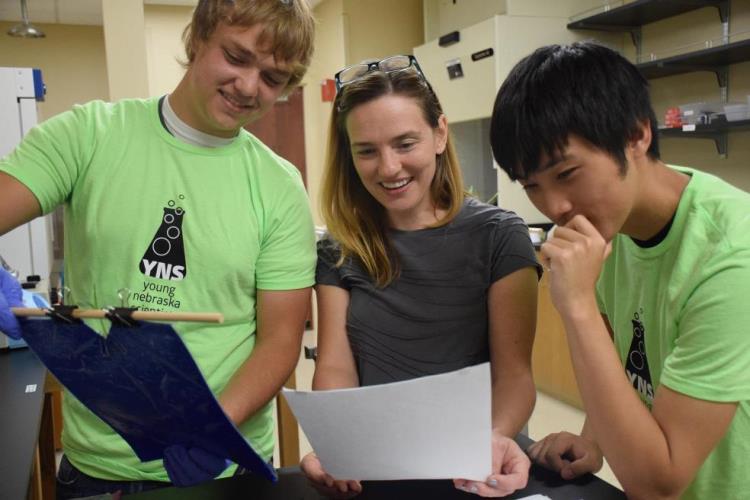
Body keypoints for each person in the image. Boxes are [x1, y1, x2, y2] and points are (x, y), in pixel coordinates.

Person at [0, 0, 316, 497]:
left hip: (222, 466)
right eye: (235, 57)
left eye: (273, 78)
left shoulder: (279, 186)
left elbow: (279, 341)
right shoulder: (89, 135)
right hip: (100, 467)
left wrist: (211, 429)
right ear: (197, 40)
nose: (250, 87)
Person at [490, 41, 750, 499]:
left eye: (567, 174)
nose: (556, 208)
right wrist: (593, 438)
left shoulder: (731, 255)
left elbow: (658, 485)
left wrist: (577, 306)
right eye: (532, 186)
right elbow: (628, 364)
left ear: (637, 135)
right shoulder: (612, 226)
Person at [299, 55, 541, 498]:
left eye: (404, 143)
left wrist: (495, 438)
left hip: (476, 462)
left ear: (439, 134)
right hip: (377, 467)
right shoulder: (340, 247)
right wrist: (337, 441)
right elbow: (335, 364)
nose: (388, 168)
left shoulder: (500, 236)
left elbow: (515, 377)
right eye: (366, 151)